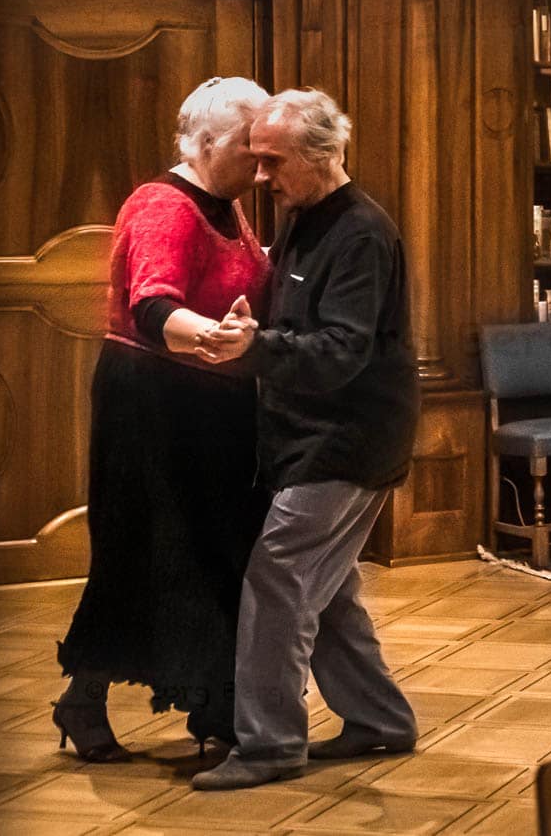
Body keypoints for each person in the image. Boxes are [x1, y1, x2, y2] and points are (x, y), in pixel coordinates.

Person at [189, 88, 420, 791]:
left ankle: (269, 747)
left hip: (346, 442)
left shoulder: (361, 234)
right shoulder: (301, 215)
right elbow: (291, 319)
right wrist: (245, 327)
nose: (261, 177)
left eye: (273, 162)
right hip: (308, 439)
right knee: (331, 591)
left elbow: (340, 352)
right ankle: (380, 720)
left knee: (279, 581)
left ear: (321, 155)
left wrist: (254, 349)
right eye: (256, 160)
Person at [55, 76, 273, 761]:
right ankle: (92, 701)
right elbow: (153, 305)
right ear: (206, 143)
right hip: (151, 405)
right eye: (249, 147)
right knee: (148, 555)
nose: (261, 164)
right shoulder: (163, 206)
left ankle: (212, 707)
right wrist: (204, 335)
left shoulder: (229, 205)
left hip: (210, 404)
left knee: (214, 552)